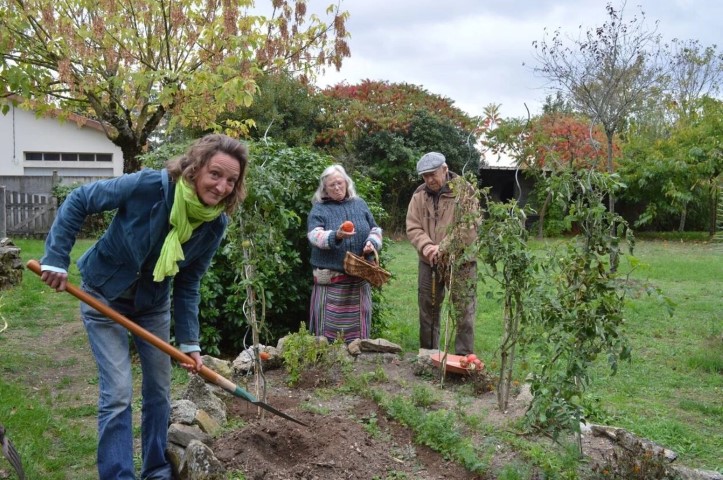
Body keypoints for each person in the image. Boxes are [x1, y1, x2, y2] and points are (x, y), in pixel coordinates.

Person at [39, 133, 248, 480]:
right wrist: (56, 259)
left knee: (159, 392)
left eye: (232, 180)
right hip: (102, 293)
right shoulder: (149, 186)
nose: (223, 186)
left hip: (151, 304)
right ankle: (118, 474)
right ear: (195, 168)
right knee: (119, 392)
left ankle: (155, 470)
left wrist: (190, 343)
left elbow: (188, 282)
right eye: (216, 174)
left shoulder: (214, 225)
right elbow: (79, 200)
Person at [406, 152, 479, 356]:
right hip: (428, 260)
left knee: (464, 310)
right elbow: (413, 226)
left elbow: (469, 226)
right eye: (425, 176)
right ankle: (428, 354)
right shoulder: (419, 195)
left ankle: (463, 358)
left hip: (461, 261)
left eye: (433, 174)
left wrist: (443, 247)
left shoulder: (465, 191)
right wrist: (427, 246)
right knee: (428, 308)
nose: (429, 180)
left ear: (445, 169)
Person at [307, 164, 383, 343]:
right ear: (324, 188)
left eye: (339, 183)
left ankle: (359, 353)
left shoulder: (359, 204)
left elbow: (375, 228)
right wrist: (336, 235)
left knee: (358, 337)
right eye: (331, 185)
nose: (337, 187)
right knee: (326, 334)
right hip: (331, 281)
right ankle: (325, 357)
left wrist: (371, 243)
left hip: (358, 280)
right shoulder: (320, 208)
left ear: (347, 183)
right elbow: (313, 235)